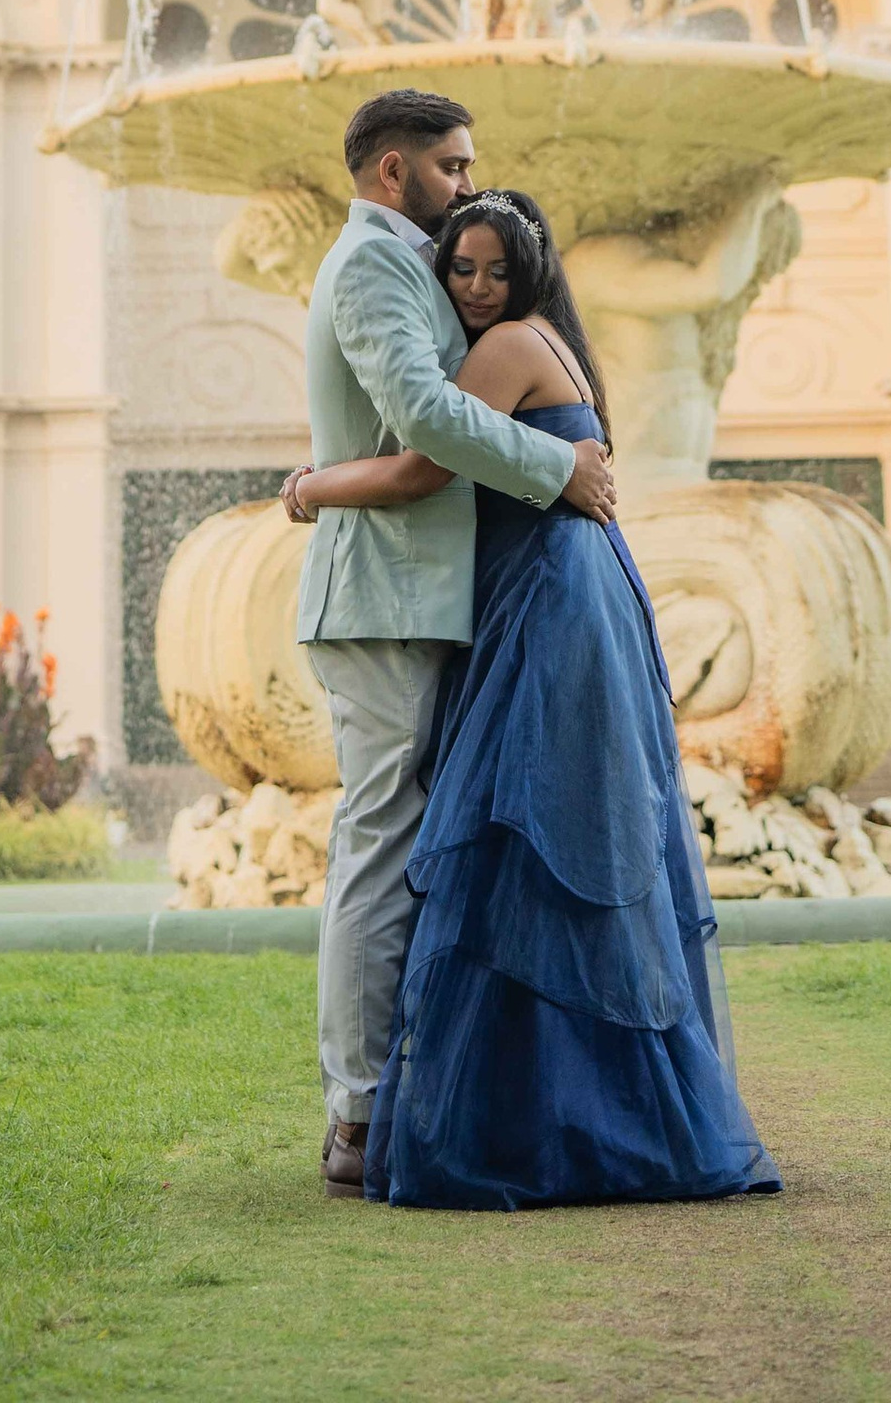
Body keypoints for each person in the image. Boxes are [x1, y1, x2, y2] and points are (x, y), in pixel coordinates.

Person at [285, 186, 779, 1212]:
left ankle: (541, 1120)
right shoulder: (544, 338)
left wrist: (306, 489)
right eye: (459, 268)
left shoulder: (509, 345)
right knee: (546, 847)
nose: (472, 286)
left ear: (529, 274)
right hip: (559, 591)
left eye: (493, 269)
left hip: (546, 607)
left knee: (526, 848)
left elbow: (423, 463)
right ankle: (567, 1106)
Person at [297, 88, 618, 1201]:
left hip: (433, 598)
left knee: (410, 851)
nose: (468, 185)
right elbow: (426, 421)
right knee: (379, 849)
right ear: (392, 172)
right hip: (382, 600)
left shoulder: (414, 261)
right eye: (450, 166)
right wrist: (557, 468)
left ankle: (423, 1091)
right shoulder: (376, 264)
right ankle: (357, 1113)